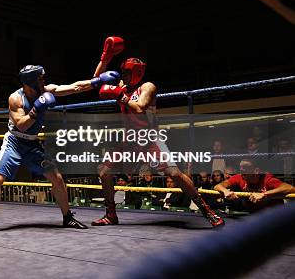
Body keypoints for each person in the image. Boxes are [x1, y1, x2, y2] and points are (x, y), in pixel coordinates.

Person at [0, 63, 120, 231]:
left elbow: (74, 87)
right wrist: (36, 108)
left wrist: (96, 81)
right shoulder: (16, 98)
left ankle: (67, 218)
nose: (44, 80)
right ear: (31, 81)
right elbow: (21, 125)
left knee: (57, 178)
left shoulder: (46, 91)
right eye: (40, 78)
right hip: (15, 143)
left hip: (33, 144)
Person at [92, 37, 224, 227]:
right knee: (104, 171)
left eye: (127, 72)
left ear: (137, 72)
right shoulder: (123, 87)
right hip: (130, 139)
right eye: (123, 72)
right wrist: (106, 58)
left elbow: (140, 108)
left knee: (175, 174)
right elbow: (97, 81)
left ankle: (207, 211)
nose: (123, 74)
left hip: (149, 139)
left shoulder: (148, 87)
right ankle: (111, 214)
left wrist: (118, 95)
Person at [214, 159, 294, 212]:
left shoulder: (266, 178)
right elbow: (218, 186)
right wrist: (225, 191)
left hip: (274, 214)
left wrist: (264, 194)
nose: (241, 170)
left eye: (245, 167)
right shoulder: (240, 177)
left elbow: (290, 188)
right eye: (240, 167)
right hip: (254, 214)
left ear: (256, 171)